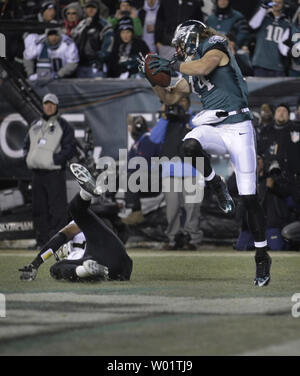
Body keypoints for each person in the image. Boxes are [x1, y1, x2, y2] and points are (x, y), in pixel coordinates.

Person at [138, 20, 272, 286]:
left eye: (179, 44)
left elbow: (205, 66)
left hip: (239, 126)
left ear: (190, 38)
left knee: (249, 199)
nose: (177, 50)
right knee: (189, 145)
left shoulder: (214, 44)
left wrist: (172, 66)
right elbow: (170, 97)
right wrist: (151, 77)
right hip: (214, 125)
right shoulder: (188, 68)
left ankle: (261, 255)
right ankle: (215, 182)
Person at [19, 163, 133, 282]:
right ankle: (85, 195)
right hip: (122, 267)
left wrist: (35, 264)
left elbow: (60, 239)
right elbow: (60, 238)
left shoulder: (69, 253)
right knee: (76, 212)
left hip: (94, 257)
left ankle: (84, 270)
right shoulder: (72, 249)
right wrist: (35, 264)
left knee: (55, 269)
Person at [150, 97, 204, 250]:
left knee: (192, 207)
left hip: (193, 170)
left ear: (188, 103)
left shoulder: (194, 119)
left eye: (183, 102)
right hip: (170, 171)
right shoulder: (168, 121)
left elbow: (199, 131)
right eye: (177, 102)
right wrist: (165, 117)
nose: (180, 105)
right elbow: (154, 138)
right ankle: (173, 239)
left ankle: (192, 239)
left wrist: (186, 116)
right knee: (172, 208)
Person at [23, 93, 76, 249]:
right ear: (43, 105)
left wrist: (53, 160)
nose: (49, 106)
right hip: (37, 174)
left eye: (52, 104)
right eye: (46, 104)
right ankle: (42, 242)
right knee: (39, 209)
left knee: (57, 210)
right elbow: (26, 145)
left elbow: (70, 149)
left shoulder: (64, 126)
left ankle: (57, 243)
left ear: (57, 106)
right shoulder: (35, 124)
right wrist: (28, 157)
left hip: (54, 174)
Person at [235, 155, 291, 251]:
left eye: (258, 159)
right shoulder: (246, 179)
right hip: (251, 224)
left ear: (264, 161)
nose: (256, 162)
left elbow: (287, 192)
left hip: (270, 224)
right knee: (241, 248)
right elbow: (231, 187)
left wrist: (273, 187)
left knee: (276, 248)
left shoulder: (273, 176)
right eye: (252, 159)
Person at [72, 0, 114, 78]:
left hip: (96, 66)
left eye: (93, 8)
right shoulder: (81, 24)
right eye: (88, 7)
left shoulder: (104, 25)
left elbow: (108, 45)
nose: (90, 10)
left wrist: (100, 57)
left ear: (97, 9)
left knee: (98, 89)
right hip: (81, 66)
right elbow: (74, 41)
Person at [249, 0, 291, 77]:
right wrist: (263, 8)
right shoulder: (263, 18)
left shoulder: (287, 24)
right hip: (260, 63)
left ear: (284, 5)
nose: (276, 4)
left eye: (279, 2)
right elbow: (252, 25)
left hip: (278, 65)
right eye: (274, 2)